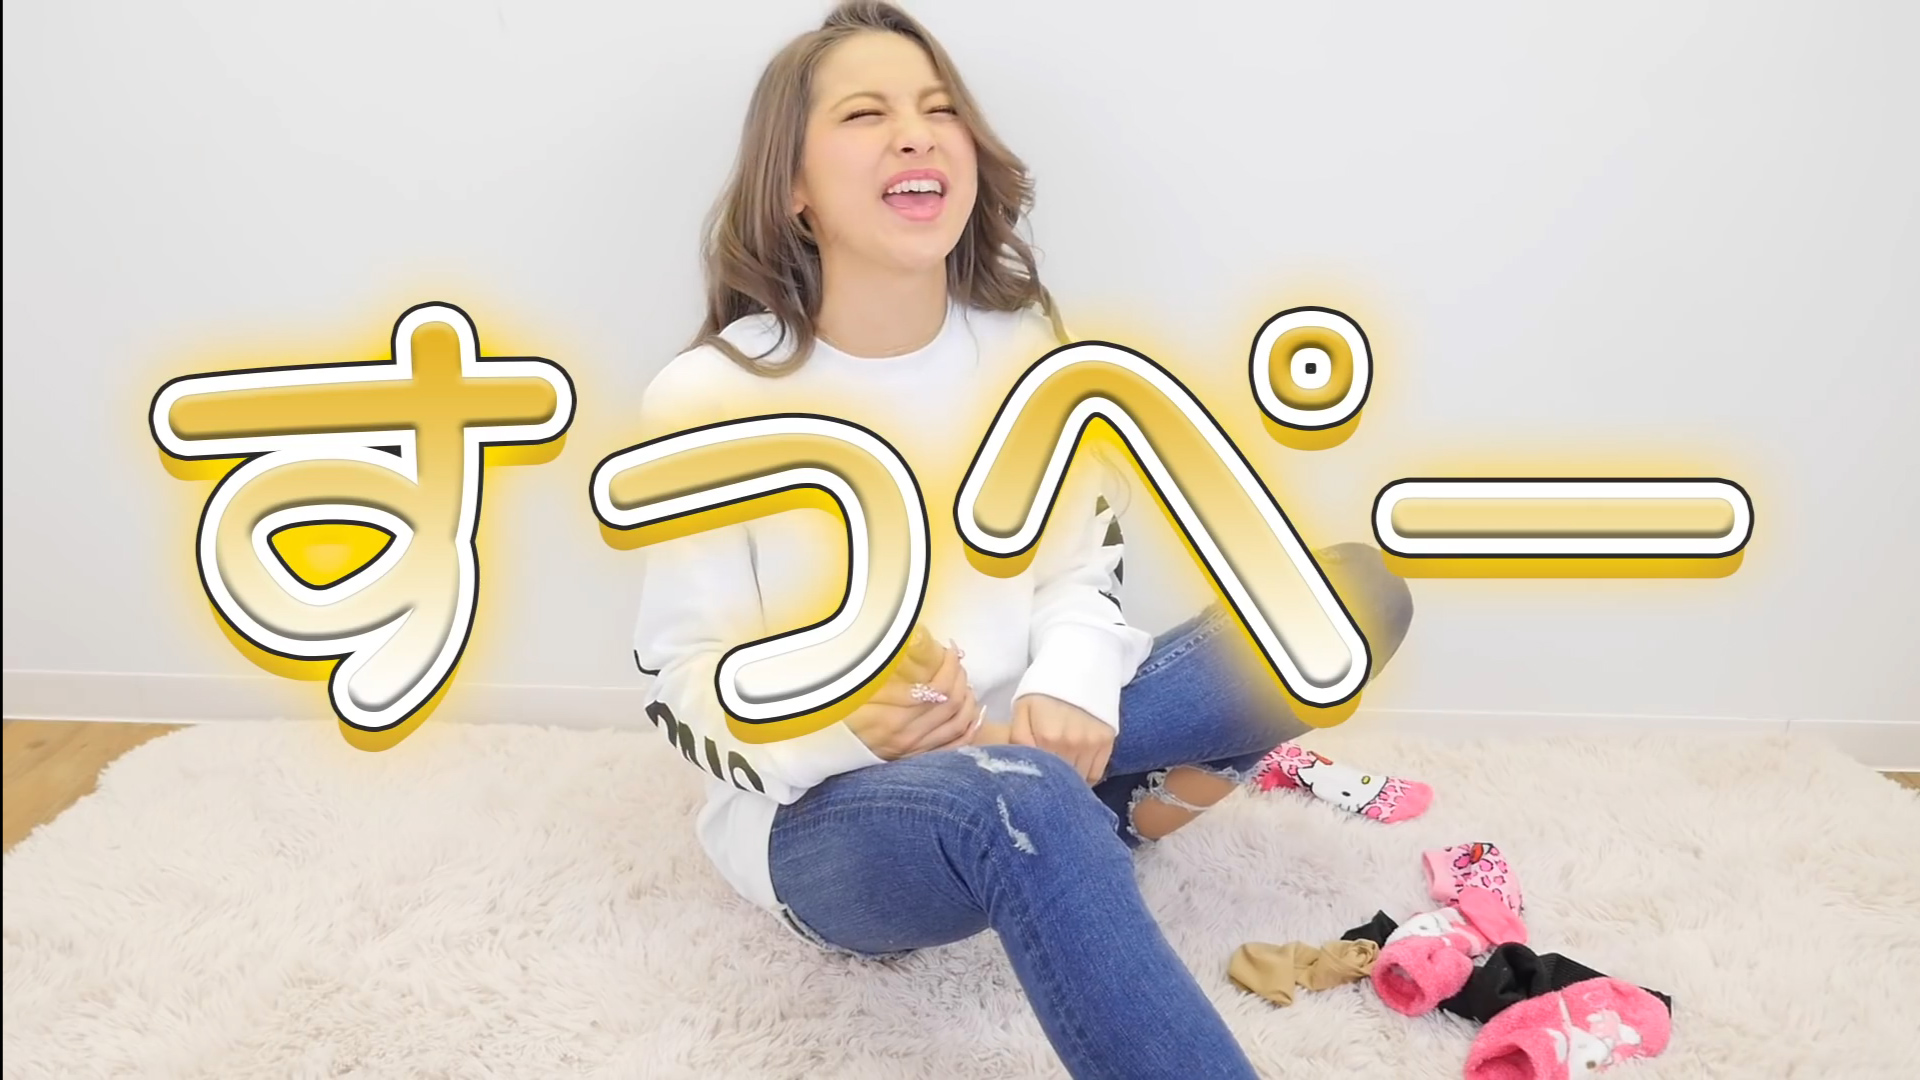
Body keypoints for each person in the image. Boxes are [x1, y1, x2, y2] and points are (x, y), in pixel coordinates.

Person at [631, 4, 1417, 1076]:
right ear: (793, 187)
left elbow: (1082, 569)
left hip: (1033, 744)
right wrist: (846, 725)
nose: (916, 134)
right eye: (865, 114)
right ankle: (1073, 829)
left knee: (1346, 602)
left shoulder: (1026, 348)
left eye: (938, 109)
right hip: (829, 819)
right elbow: (681, 684)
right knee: (1026, 797)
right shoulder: (706, 400)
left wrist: (1072, 680)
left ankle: (1073, 834)